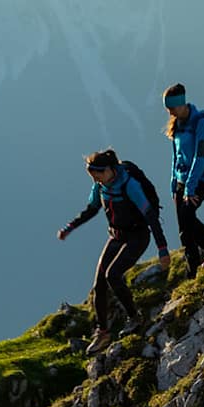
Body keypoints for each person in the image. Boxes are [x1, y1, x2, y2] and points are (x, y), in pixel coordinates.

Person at [56, 149, 170, 354]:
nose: (96, 179)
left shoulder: (129, 184)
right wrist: (70, 227)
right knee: (99, 283)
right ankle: (103, 332)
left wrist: (162, 248)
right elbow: (91, 209)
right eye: (92, 176)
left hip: (137, 236)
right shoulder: (100, 187)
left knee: (113, 274)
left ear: (109, 169)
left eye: (97, 175)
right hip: (116, 236)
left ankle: (135, 318)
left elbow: (150, 216)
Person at [164, 83, 204, 277]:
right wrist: (174, 181)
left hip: (199, 182)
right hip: (181, 184)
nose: (170, 112)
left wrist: (190, 186)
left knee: (188, 220)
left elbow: (202, 156)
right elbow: (176, 155)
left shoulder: (201, 124)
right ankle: (193, 272)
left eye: (172, 107)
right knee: (184, 229)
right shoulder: (177, 125)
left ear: (182, 104)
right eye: (168, 108)